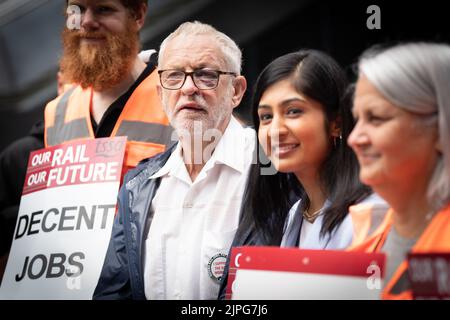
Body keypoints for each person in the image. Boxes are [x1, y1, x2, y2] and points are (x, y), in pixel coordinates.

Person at [0, 0, 174, 281]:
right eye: (76, 10)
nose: (86, 21)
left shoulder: (176, 102)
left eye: (103, 9)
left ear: (138, 15)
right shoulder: (57, 111)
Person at [93, 21, 253, 300]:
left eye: (205, 75)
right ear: (161, 94)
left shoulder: (273, 169)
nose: (188, 88)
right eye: (174, 76)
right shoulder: (137, 187)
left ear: (236, 91)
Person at [218, 50, 388, 299]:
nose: (275, 130)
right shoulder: (292, 216)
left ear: (336, 123)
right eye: (266, 117)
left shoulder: (373, 214)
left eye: (293, 111)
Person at [347, 42, 450, 299]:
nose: (354, 138)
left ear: (440, 128)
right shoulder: (365, 232)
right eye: (357, 118)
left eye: (377, 118)